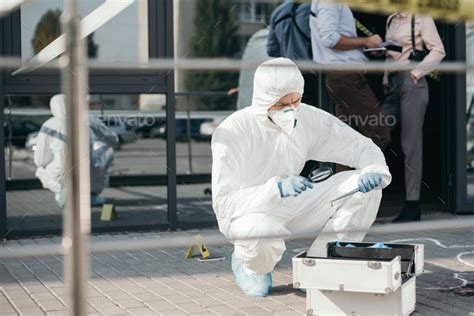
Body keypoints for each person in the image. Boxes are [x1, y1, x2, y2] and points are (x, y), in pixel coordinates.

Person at [211, 58, 392, 297]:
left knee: (362, 189)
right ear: (263, 98)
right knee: (261, 234)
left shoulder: (307, 118)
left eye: (295, 100)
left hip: (293, 204)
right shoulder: (233, 131)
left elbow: (359, 146)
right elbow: (224, 203)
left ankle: (320, 266)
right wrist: (275, 188)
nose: (290, 109)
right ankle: (250, 266)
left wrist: (373, 169)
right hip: (250, 214)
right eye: (280, 103)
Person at [382, 13, 446, 222]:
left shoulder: (420, 17)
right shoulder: (391, 19)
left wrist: (416, 73)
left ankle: (412, 205)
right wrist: (385, 76)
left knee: (411, 145)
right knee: (376, 130)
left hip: (412, 83)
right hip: (392, 84)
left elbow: (438, 50)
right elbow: (388, 54)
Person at [309, 0, 390, 153]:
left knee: (345, 142)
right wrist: (367, 40)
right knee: (379, 135)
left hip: (342, 77)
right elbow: (329, 39)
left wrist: (366, 47)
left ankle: (348, 175)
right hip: (347, 77)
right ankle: (364, 174)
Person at [34, 94, 118, 208]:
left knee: (40, 169)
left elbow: (39, 160)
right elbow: (112, 140)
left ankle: (62, 191)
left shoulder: (49, 124)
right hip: (85, 173)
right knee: (108, 150)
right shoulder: (87, 118)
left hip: (59, 174)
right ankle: (90, 194)